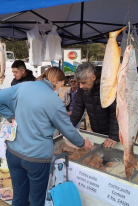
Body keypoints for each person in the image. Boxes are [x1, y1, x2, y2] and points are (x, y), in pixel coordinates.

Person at [0, 67, 92, 206]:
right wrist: (83, 143)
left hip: (13, 153)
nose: (60, 88)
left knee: (19, 197)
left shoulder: (23, 86)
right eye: (61, 84)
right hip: (37, 159)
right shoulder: (54, 100)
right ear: (55, 81)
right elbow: (68, 130)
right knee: (38, 199)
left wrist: (11, 116)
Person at [70, 63, 138, 148]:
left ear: (93, 77)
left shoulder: (108, 85)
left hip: (116, 134)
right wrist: (67, 128)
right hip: (98, 132)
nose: (81, 86)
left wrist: (114, 135)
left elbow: (116, 111)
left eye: (83, 82)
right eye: (79, 83)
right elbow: (77, 110)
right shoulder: (82, 89)